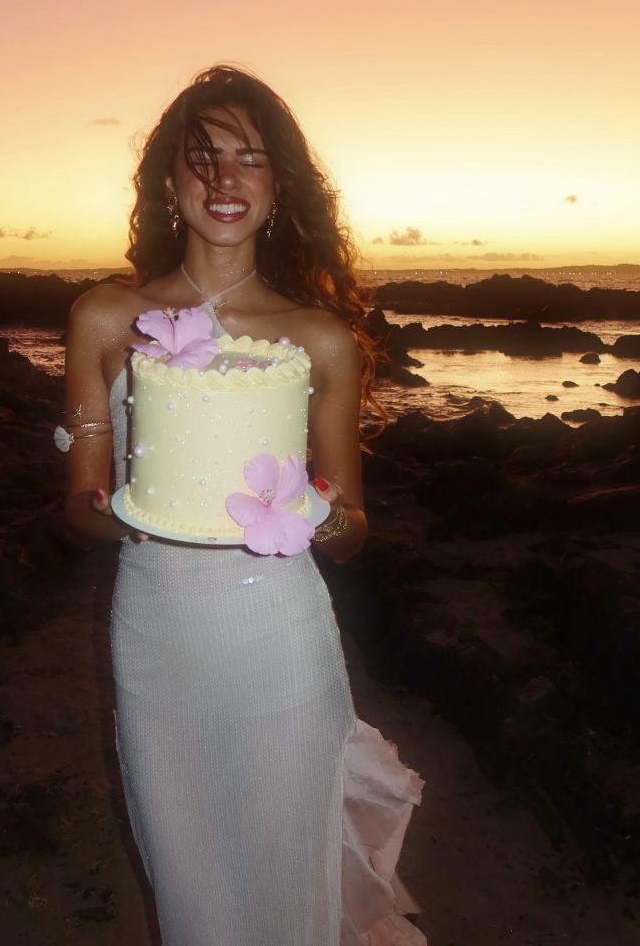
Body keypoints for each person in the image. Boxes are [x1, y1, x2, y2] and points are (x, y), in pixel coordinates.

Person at [59, 66, 425, 945]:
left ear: (278, 186)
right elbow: (77, 512)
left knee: (284, 857)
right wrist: (122, 510)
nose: (225, 179)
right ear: (168, 181)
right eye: (202, 157)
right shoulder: (107, 318)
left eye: (250, 159)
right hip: (154, 626)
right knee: (186, 862)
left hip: (276, 632)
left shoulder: (317, 336)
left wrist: (312, 512)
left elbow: (351, 535)